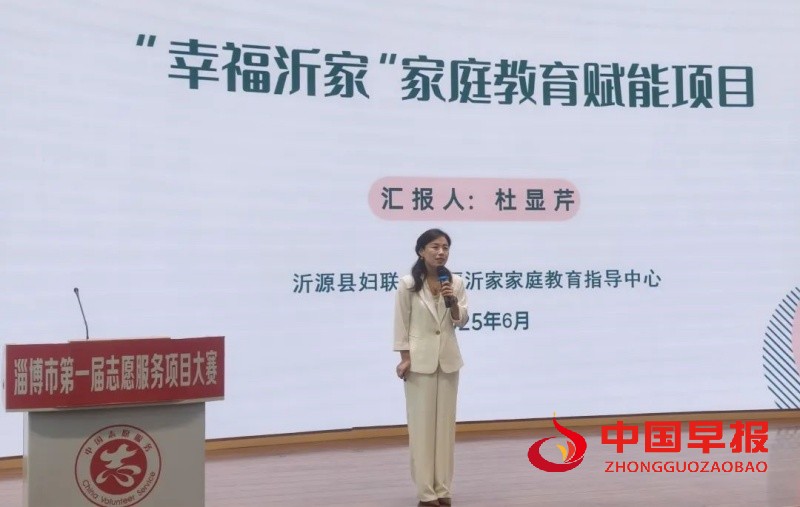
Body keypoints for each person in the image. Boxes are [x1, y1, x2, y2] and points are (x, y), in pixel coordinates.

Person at [393, 228, 469, 506]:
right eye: (435, 247)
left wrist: (453, 303)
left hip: (448, 361)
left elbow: (461, 319)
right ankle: (426, 493)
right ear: (421, 251)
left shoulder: (455, 282)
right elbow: (401, 323)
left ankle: (443, 489)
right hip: (419, 363)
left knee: (445, 430)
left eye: (445, 247)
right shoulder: (408, 283)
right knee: (422, 430)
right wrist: (405, 357)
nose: (441, 252)